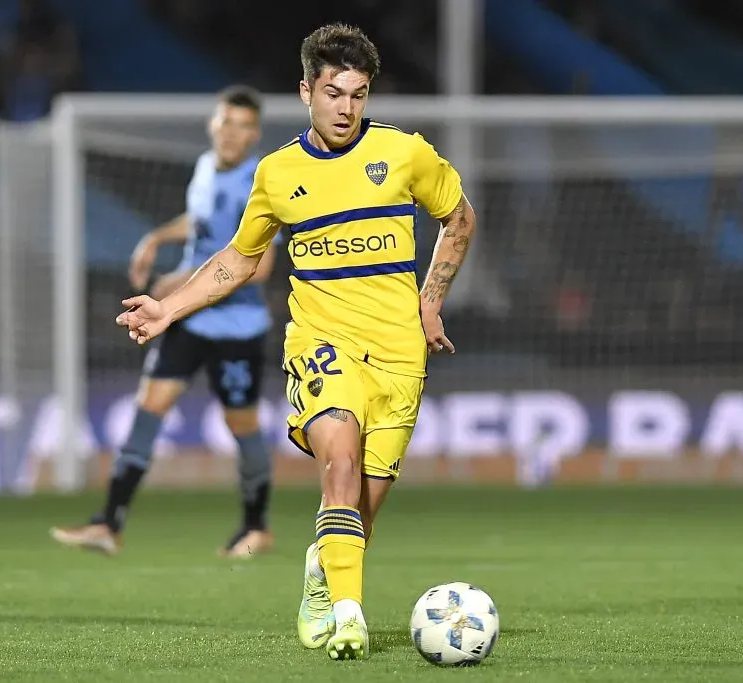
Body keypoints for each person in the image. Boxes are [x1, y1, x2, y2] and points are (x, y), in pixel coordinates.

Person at [114, 23, 476, 661]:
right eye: (334, 93)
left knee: (360, 515)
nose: (346, 107)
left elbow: (460, 218)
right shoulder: (278, 174)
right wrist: (168, 310)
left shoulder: (406, 155)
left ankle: (322, 574)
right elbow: (238, 258)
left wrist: (430, 300)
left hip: (398, 355)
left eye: (359, 94)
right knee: (337, 460)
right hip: (322, 343)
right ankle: (349, 616)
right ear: (306, 90)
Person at [50, 85, 280, 559]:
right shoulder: (203, 168)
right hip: (189, 321)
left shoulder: (260, 181)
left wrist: (176, 281)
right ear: (213, 124)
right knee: (148, 408)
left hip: (236, 327)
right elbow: (198, 220)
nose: (231, 132)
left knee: (243, 425)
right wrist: (155, 238)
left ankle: (257, 526)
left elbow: (262, 267)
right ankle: (109, 523)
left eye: (242, 125)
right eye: (225, 122)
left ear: (254, 134)